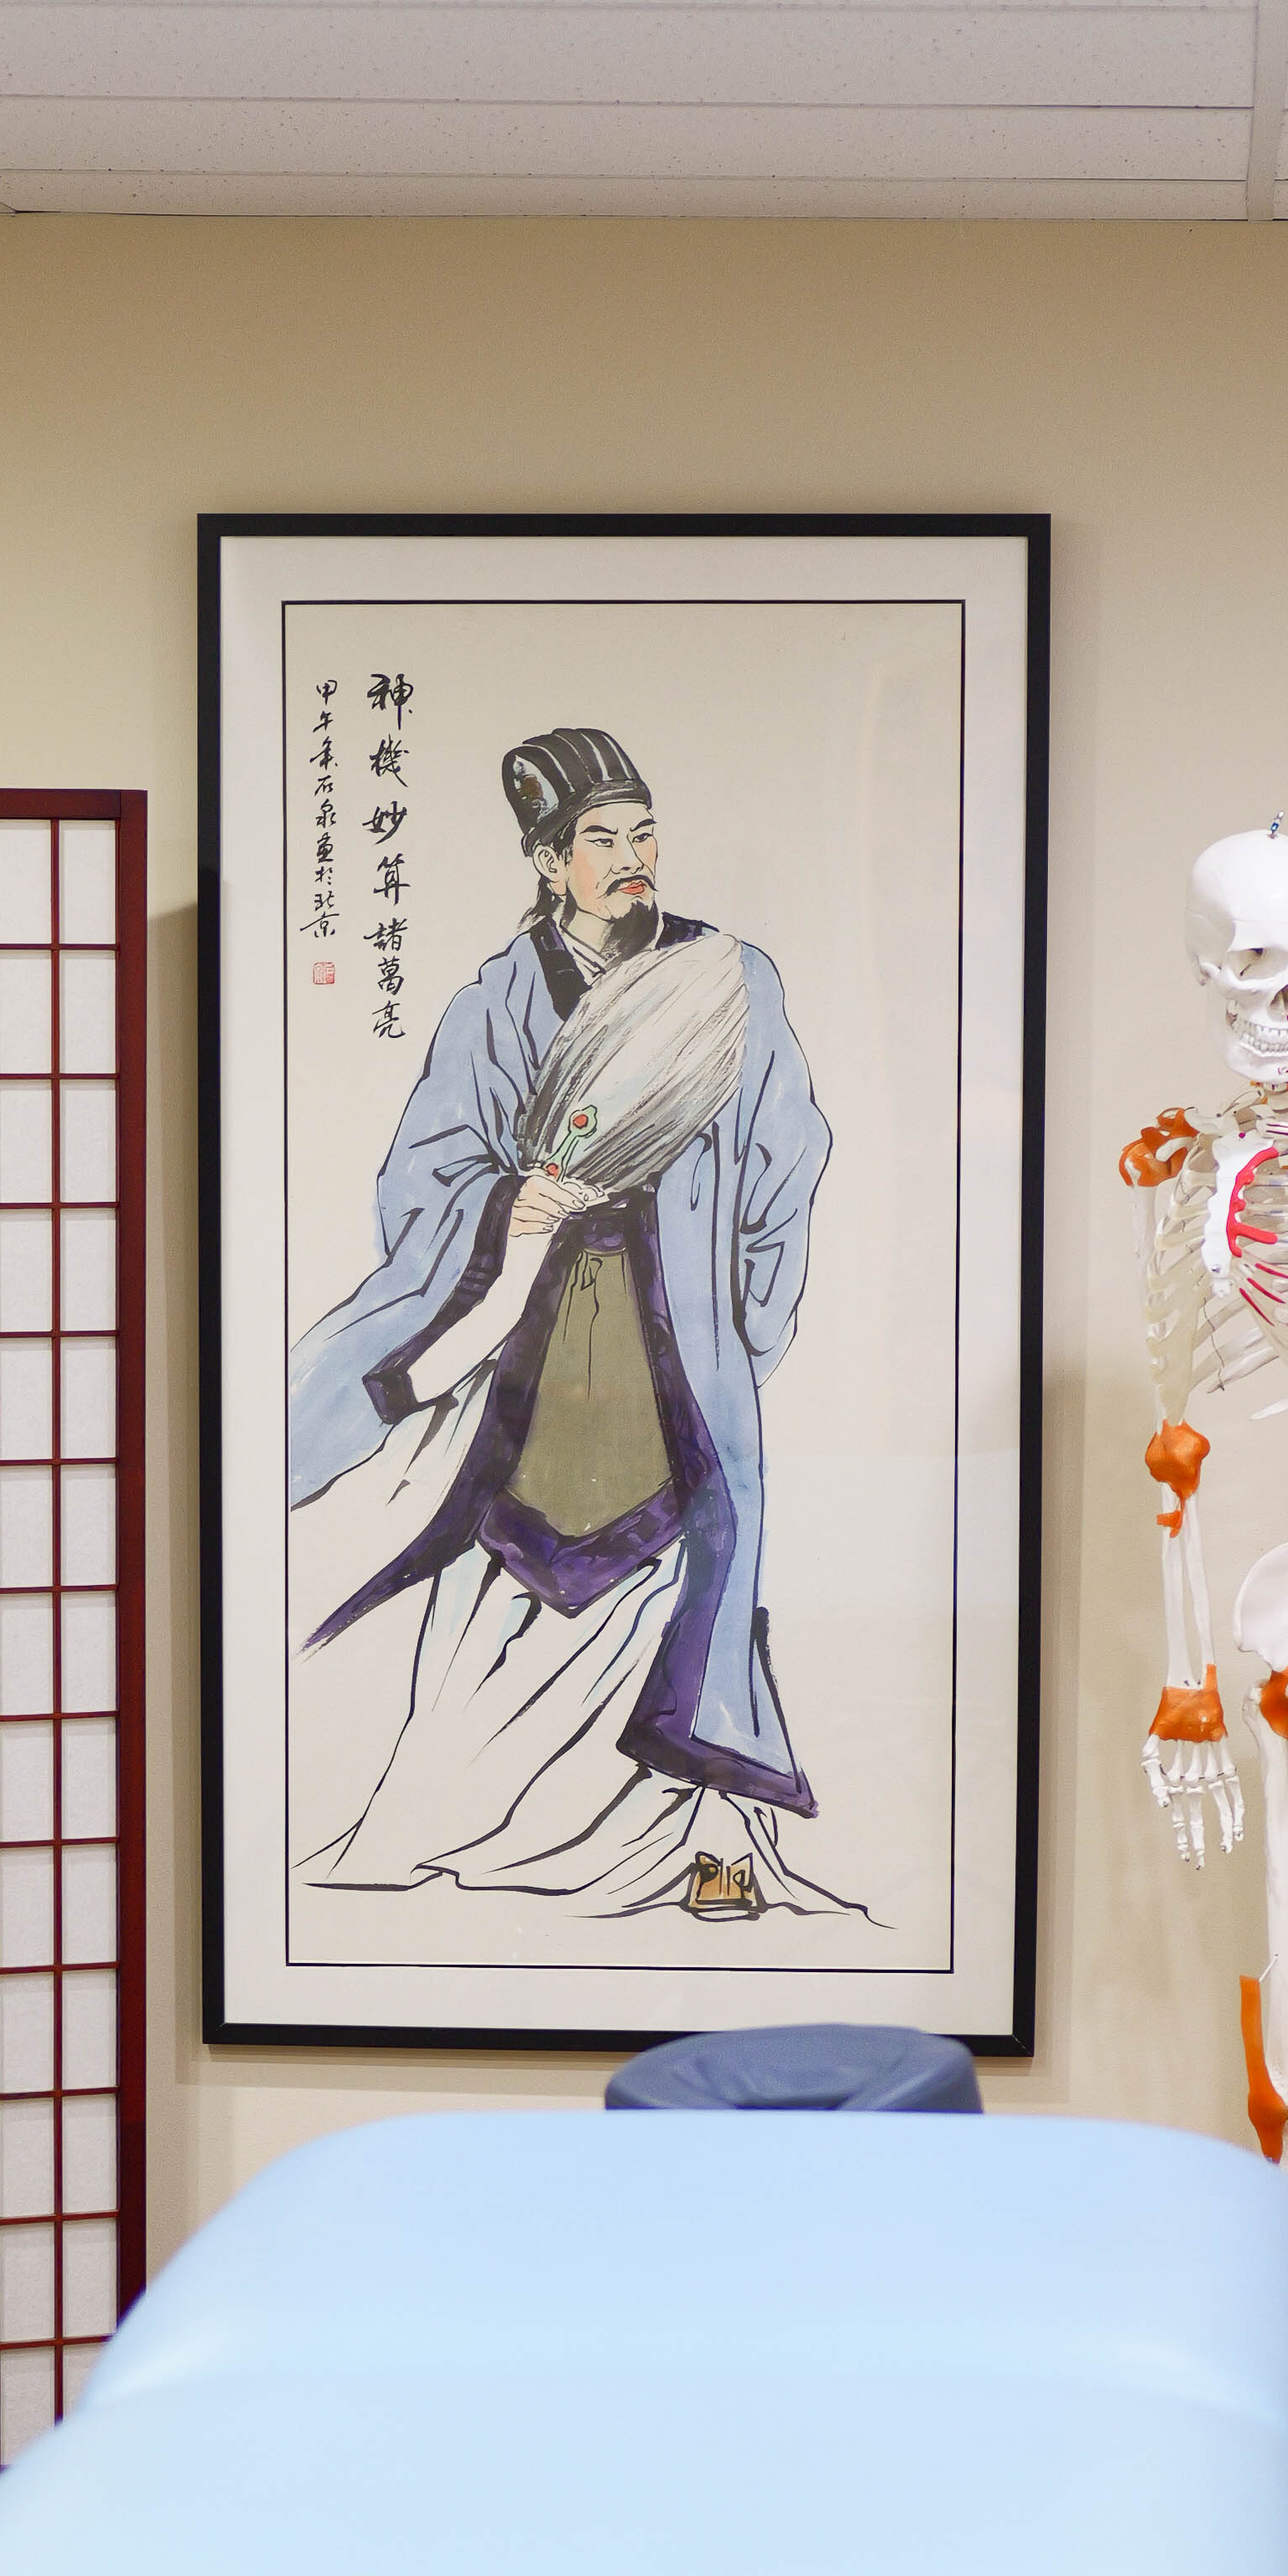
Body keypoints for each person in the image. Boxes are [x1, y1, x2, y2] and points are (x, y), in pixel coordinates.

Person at [286, 721, 841, 1923]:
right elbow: (420, 1177)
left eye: (645, 834)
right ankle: (477, 1838)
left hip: (679, 1340)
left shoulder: (726, 981)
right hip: (534, 1338)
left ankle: (703, 1849)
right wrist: (508, 1207)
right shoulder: (497, 1000)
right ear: (549, 860)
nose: (632, 858)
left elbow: (788, 1158)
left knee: (697, 1574)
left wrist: (745, 1325)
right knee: (499, 1574)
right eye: (602, 839)